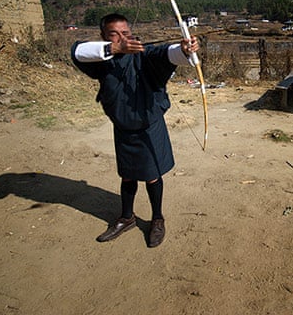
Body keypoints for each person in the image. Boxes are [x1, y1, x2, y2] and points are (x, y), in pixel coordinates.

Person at [71, 13, 199, 247]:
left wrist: (184, 49)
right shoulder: (103, 58)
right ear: (104, 37)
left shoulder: (144, 54)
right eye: (115, 34)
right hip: (123, 126)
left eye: (126, 33)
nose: (122, 38)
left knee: (151, 175)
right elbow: (77, 51)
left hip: (149, 125)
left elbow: (164, 54)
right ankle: (126, 217)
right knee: (127, 173)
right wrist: (115, 48)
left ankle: (157, 219)